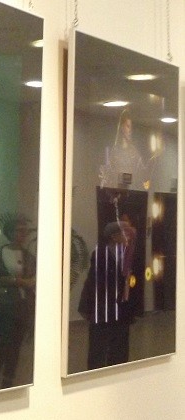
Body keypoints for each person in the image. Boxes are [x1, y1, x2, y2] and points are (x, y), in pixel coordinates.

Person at [0, 216, 36, 390]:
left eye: (25, 231)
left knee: (15, 345)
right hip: (3, 305)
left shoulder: (29, 256)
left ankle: (9, 380)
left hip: (23, 306)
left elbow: (35, 277)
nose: (23, 234)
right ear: (10, 232)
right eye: (19, 231)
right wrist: (15, 281)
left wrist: (31, 282)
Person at [78, 220, 137, 368]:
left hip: (121, 309)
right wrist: (87, 307)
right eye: (124, 232)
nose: (128, 236)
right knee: (99, 347)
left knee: (120, 346)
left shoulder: (127, 254)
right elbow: (93, 282)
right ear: (113, 236)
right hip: (103, 308)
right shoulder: (101, 254)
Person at [99, 107, 149, 190]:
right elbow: (108, 176)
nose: (130, 130)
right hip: (116, 192)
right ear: (122, 127)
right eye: (128, 126)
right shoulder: (114, 151)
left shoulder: (134, 152)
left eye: (131, 127)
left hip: (131, 192)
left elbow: (143, 174)